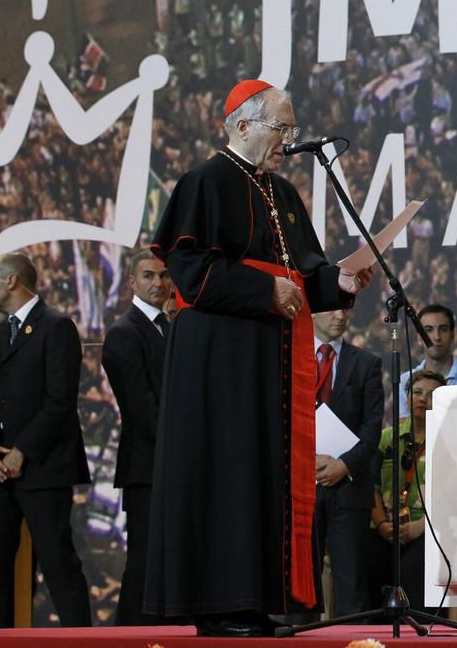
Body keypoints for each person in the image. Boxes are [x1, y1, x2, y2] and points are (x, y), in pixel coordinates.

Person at [146, 80, 375, 636]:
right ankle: (218, 605)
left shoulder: (284, 195)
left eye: (292, 130)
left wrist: (340, 279)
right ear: (242, 125)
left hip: (268, 363)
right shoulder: (204, 182)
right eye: (281, 128)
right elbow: (191, 272)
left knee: (261, 475)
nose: (289, 141)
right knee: (225, 472)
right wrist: (263, 291)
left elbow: (307, 274)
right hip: (218, 364)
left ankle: (253, 599)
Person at [0, 253, 91, 628]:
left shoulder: (56, 326)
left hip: (44, 468)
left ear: (12, 281)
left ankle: (81, 640)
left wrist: (23, 451)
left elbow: (60, 400)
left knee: (58, 563)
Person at [101, 249, 171, 625]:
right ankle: (131, 634)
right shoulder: (123, 333)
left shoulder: (171, 327)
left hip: (173, 466)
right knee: (143, 561)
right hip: (147, 467)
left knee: (170, 559)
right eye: (148, 275)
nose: (158, 283)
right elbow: (142, 410)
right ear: (132, 281)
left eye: (163, 275)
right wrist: (183, 451)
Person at [311, 308, 384, 618]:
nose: (340, 315)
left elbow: (372, 428)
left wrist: (344, 465)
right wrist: (307, 459)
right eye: (331, 308)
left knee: (351, 582)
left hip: (350, 485)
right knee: (300, 581)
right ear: (311, 311)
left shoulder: (367, 363)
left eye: (346, 308)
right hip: (301, 483)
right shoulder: (288, 359)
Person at [367, 369, 444, 616]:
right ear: (406, 397)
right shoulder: (385, 438)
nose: (423, 399)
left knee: (413, 567)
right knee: (366, 560)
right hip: (385, 528)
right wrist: (380, 524)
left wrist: (420, 526)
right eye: (417, 392)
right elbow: (372, 486)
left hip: (426, 528)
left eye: (432, 395)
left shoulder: (448, 440)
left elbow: (451, 494)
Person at [399, 304, 457, 421]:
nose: (437, 337)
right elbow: (403, 428)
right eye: (429, 330)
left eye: (443, 329)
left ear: (452, 335)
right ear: (419, 338)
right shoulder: (404, 381)